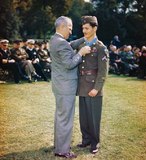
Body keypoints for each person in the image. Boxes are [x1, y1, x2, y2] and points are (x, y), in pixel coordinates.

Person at [50, 16, 91, 159]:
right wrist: (81, 52)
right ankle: (62, 150)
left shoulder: (55, 39)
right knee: (65, 118)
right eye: (70, 28)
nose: (71, 30)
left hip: (60, 85)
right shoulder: (60, 43)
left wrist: (83, 40)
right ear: (62, 26)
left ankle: (58, 144)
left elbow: (69, 45)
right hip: (65, 86)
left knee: (60, 116)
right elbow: (69, 64)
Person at [75, 16, 109, 154]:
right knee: (84, 117)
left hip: (93, 87)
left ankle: (95, 142)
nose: (84, 30)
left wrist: (96, 88)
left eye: (87, 28)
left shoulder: (101, 48)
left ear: (94, 28)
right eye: (83, 28)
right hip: (82, 86)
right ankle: (86, 139)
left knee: (94, 118)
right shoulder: (81, 46)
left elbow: (103, 71)